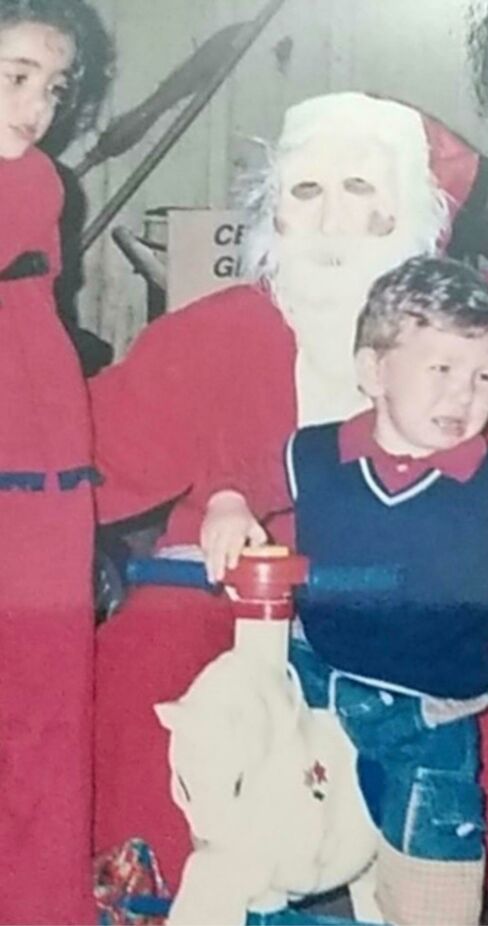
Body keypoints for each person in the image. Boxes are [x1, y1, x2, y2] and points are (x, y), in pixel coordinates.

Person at [90, 91, 488, 901]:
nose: (332, 218)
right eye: (307, 192)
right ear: (275, 212)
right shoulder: (218, 329)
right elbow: (89, 452)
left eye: (361, 190)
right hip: (234, 608)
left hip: (419, 627)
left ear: (409, 206)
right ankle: (159, 902)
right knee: (141, 671)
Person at [261, 255, 488, 925]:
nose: (464, 397)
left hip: (431, 720)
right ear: (373, 372)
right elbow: (244, 486)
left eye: (485, 376)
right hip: (315, 696)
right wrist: (228, 503)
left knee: (437, 901)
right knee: (254, 859)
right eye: (442, 371)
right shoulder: (311, 454)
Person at [0, 1, 111, 922]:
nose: (38, 105)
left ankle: (41, 903)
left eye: (54, 86)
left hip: (44, 456)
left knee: (45, 686)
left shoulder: (43, 182)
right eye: (16, 77)